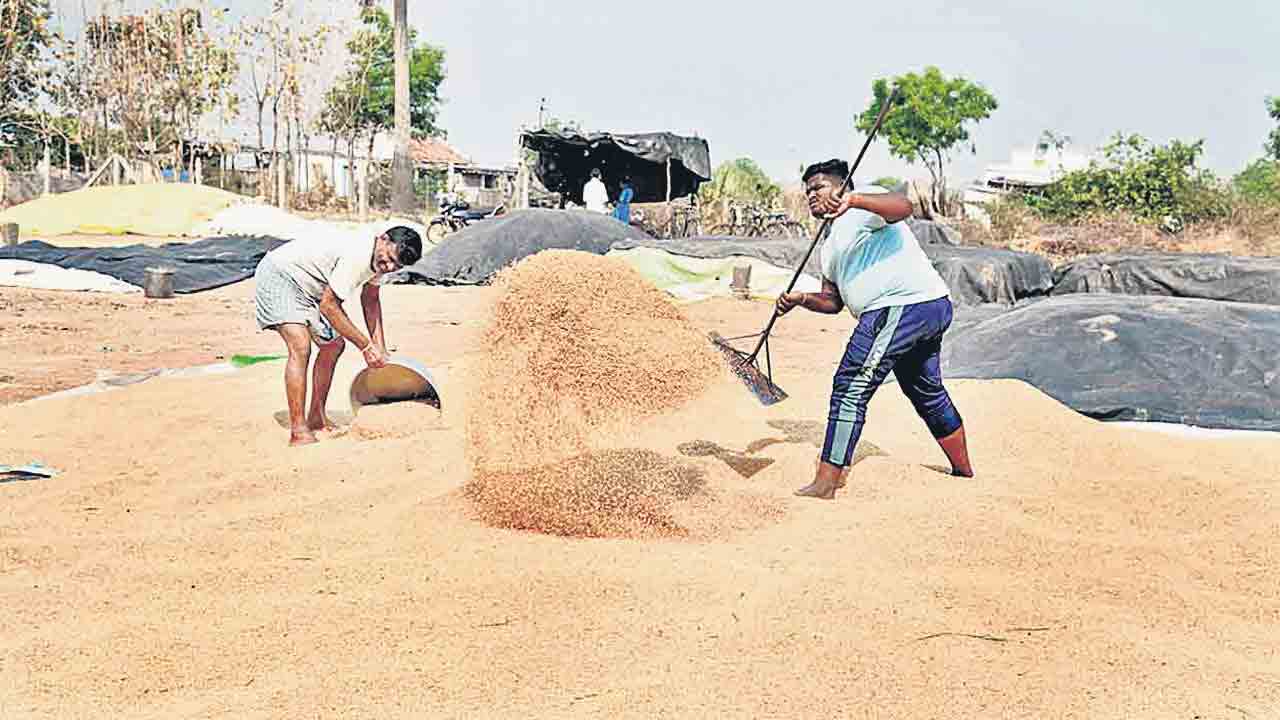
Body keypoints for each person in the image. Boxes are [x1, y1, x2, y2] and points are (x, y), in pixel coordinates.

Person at [776, 159, 973, 499]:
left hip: (901, 305)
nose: (812, 195)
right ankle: (963, 470)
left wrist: (853, 200)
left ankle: (826, 483)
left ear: (843, 185)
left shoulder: (863, 206)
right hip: (924, 307)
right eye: (808, 191)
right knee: (926, 392)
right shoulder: (829, 247)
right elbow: (832, 301)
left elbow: (903, 206)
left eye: (819, 187)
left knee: (850, 384)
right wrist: (800, 299)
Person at [253, 226, 423, 446]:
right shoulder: (359, 254)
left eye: (396, 266)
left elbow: (370, 299)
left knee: (333, 346)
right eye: (389, 259)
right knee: (300, 346)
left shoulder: (379, 260)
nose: (389, 267)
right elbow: (329, 306)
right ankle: (298, 430)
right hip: (281, 275)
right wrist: (365, 346)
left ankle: (316, 417)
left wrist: (380, 346)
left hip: (311, 289)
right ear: (383, 239)